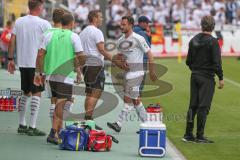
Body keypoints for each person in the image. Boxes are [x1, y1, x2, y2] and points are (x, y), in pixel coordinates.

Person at [34, 12, 86, 144]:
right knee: (61, 104)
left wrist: (39, 73)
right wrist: (78, 67)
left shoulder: (49, 35)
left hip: (50, 74)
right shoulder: (74, 36)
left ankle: (58, 131)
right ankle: (53, 132)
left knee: (57, 102)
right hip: (65, 75)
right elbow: (81, 57)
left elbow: (40, 54)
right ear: (72, 23)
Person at [8, 0, 51, 136]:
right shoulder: (44, 23)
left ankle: (22, 124)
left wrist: (10, 59)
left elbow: (12, 40)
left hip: (23, 63)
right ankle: (32, 127)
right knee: (37, 93)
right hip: (36, 64)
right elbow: (49, 44)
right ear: (39, 7)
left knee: (26, 92)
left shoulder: (19, 21)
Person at [107, 16, 157, 133]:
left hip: (138, 73)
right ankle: (148, 124)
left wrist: (152, 71)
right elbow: (120, 56)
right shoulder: (120, 41)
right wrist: (121, 62)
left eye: (124, 24)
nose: (121, 26)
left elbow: (150, 55)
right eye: (121, 24)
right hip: (128, 74)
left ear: (131, 25)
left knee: (127, 98)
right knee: (135, 100)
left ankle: (118, 123)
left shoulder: (138, 38)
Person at [79, 10, 128, 130]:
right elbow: (101, 50)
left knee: (90, 93)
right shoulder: (97, 32)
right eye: (100, 17)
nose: (101, 19)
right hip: (95, 65)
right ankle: (88, 120)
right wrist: (115, 61)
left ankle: (88, 120)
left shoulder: (83, 32)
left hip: (86, 65)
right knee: (96, 92)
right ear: (94, 18)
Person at [183, 15, 224, 143]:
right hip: (206, 77)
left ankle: (188, 134)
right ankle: (200, 136)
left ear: (201, 25)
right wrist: (221, 78)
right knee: (203, 106)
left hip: (194, 75)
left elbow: (188, 61)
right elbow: (217, 62)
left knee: (192, 106)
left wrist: (195, 70)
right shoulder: (213, 42)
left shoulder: (193, 40)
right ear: (213, 26)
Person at [133, 15, 152, 96]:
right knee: (140, 83)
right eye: (147, 23)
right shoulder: (141, 33)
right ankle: (137, 102)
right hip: (141, 60)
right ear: (142, 23)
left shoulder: (133, 30)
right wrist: (149, 36)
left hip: (133, 59)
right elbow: (147, 47)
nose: (148, 25)